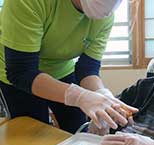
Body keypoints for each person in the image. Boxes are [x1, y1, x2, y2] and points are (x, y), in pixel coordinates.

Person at [0, 0, 137, 133]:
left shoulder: (105, 17)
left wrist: (101, 94)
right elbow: (22, 71)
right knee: (33, 133)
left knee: (77, 126)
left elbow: (87, 68)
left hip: (61, 68)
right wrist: (79, 96)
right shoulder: (28, 2)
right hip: (19, 72)